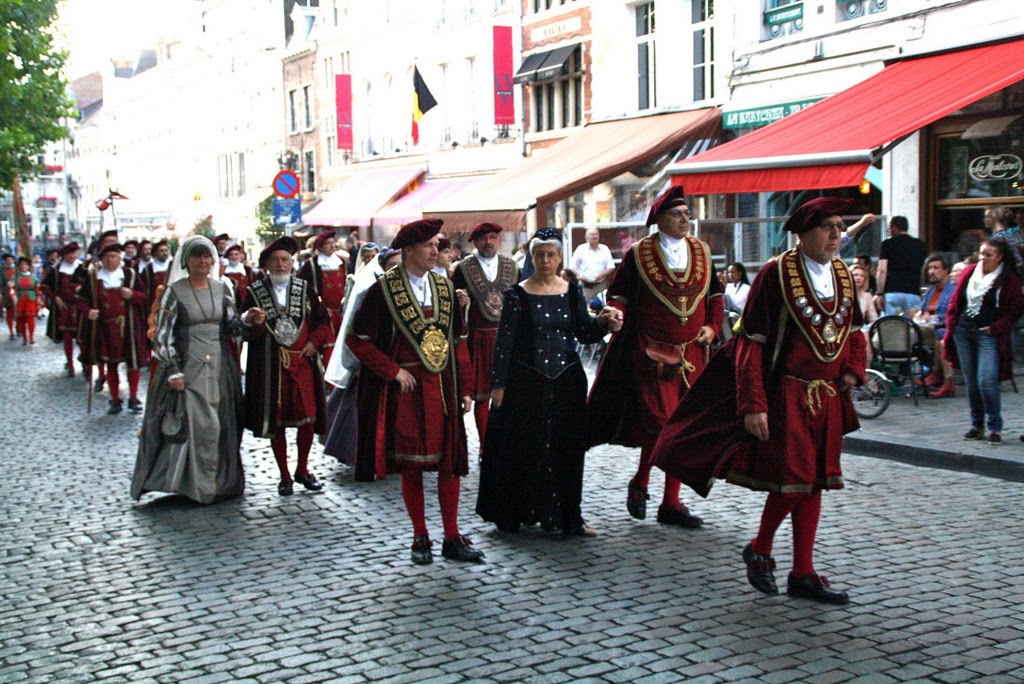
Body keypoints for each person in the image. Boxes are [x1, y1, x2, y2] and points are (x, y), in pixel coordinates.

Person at [652, 197, 868, 605]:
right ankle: (761, 546)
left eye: (841, 227)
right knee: (794, 480)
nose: (837, 236)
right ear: (802, 234)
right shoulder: (775, 275)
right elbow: (750, 344)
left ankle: (802, 571)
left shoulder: (843, 274)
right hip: (787, 391)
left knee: (815, 481)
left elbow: (855, 329)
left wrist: (854, 369)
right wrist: (753, 404)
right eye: (828, 228)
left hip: (828, 395)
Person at [587, 186, 724, 529]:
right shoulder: (639, 254)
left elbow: (715, 295)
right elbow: (620, 296)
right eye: (677, 214)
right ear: (659, 219)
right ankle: (642, 482)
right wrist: (614, 314)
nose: (685, 219)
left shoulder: (702, 252)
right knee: (662, 426)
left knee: (681, 428)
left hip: (693, 353)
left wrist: (712, 325)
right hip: (652, 355)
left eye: (687, 213)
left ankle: (669, 502)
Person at [347, 219, 482, 565]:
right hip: (406, 392)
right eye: (428, 246)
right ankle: (420, 535)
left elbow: (458, 340)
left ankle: (452, 536)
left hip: (443, 386)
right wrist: (392, 371)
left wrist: (466, 386)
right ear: (408, 251)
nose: (435, 251)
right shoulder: (382, 290)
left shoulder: (445, 287)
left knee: (449, 463)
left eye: (437, 246)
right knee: (412, 465)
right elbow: (356, 340)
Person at [476, 229, 620, 537]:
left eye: (550, 255)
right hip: (526, 383)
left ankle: (568, 516)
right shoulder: (517, 294)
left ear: (559, 258)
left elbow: (584, 332)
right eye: (539, 255)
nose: (545, 260)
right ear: (532, 257)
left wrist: (604, 323)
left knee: (566, 450)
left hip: (567, 381)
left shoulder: (570, 291)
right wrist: (498, 385)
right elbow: (505, 342)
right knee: (526, 448)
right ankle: (523, 511)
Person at [131, 236, 246, 504]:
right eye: (197, 257)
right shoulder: (174, 292)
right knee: (194, 425)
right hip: (189, 366)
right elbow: (162, 334)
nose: (202, 262)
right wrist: (173, 369)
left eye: (207, 257)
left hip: (219, 367)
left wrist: (249, 320)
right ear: (187, 261)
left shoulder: (222, 289)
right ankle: (194, 485)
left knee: (219, 424)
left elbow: (232, 326)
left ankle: (216, 483)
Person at [242, 236, 333, 495]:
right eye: (275, 261)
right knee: (277, 421)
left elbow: (324, 323)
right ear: (267, 265)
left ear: (292, 263)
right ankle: (284, 475)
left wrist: (314, 343)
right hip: (270, 368)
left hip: (303, 363)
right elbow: (243, 331)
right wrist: (253, 321)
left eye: (285, 260)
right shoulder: (253, 292)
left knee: (307, 418)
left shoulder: (306, 290)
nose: (281, 265)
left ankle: (303, 469)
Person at [321, 247, 401, 471]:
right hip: (370, 362)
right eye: (392, 265)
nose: (397, 269)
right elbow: (352, 331)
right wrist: (355, 363)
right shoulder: (368, 290)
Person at [944, 236, 1024, 445]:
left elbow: (1015, 309)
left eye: (989, 255)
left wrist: (996, 328)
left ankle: (994, 426)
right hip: (964, 330)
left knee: (986, 380)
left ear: (999, 257)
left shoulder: (1008, 279)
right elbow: (956, 300)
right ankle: (976, 424)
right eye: (982, 254)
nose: (984, 258)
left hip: (988, 334)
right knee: (971, 382)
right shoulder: (970, 272)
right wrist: (952, 326)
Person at [450, 221, 519, 446]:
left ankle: (505, 444)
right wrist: (461, 305)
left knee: (508, 394)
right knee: (482, 396)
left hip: (508, 339)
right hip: (478, 339)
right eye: (483, 238)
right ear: (475, 242)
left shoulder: (512, 266)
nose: (488, 242)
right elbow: (452, 306)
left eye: (492, 237)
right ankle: (485, 446)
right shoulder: (463, 268)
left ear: (498, 240)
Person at [77, 243, 150, 415]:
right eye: (107, 257)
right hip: (105, 328)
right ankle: (115, 398)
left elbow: (145, 296)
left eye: (114, 256)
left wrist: (132, 295)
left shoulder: (130, 275)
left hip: (129, 327)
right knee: (111, 364)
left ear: (120, 258)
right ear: (101, 260)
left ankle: (133, 397)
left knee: (133, 364)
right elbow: (81, 300)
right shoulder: (94, 277)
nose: (111, 260)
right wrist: (89, 312)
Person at [297, 230, 348, 369]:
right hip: (325, 313)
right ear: (319, 247)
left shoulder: (342, 262)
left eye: (333, 242)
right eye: (328, 243)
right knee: (329, 348)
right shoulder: (311, 265)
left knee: (344, 344)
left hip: (342, 311)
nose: (332, 246)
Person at [912, 254, 956, 398]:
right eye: (930, 268)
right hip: (926, 329)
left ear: (945, 271)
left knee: (941, 337)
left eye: (936, 268)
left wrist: (937, 317)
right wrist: (918, 314)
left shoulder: (953, 290)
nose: (931, 271)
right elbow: (922, 310)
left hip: (945, 329)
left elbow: (954, 313)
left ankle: (941, 377)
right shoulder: (930, 291)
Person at [43, 242, 86, 376]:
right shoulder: (56, 270)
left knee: (82, 338)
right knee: (67, 337)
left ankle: (85, 365)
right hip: (65, 308)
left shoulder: (82, 268)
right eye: (69, 254)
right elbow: (44, 286)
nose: (72, 256)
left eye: (74, 253)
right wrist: (55, 298)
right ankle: (70, 364)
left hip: (80, 308)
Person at [877, 216, 927, 315]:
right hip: (913, 292)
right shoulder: (920, 244)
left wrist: (880, 293)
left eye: (890, 229)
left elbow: (882, 270)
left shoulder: (887, 244)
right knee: (911, 327)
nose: (889, 232)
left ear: (895, 227)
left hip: (892, 291)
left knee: (892, 326)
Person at [569, 227, 616, 303]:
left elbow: (611, 267)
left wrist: (602, 274)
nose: (594, 236)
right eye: (591, 234)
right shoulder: (581, 249)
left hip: (601, 286)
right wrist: (580, 275)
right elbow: (572, 266)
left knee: (602, 309)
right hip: (585, 287)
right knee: (584, 310)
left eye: (596, 234)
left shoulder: (605, 249)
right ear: (586, 237)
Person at [8, 257, 42, 344]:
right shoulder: (15, 277)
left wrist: (39, 298)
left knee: (30, 318)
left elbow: (37, 288)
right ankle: (24, 338)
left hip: (30, 299)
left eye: (25, 265)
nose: (23, 266)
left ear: (28, 266)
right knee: (21, 319)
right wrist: (13, 295)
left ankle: (31, 337)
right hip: (20, 299)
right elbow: (11, 288)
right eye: (22, 264)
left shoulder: (33, 277)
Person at [1, 253, 16, 339]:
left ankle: (18, 329)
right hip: (6, 294)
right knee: (9, 312)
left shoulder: (17, 269)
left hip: (18, 293)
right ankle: (11, 331)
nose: (9, 261)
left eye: (11, 259)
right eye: (7, 260)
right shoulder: (2, 270)